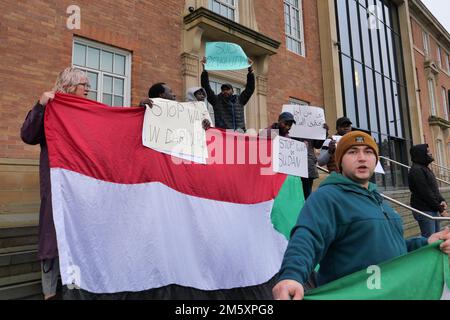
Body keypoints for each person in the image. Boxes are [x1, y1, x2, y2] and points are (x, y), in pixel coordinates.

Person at [272, 131, 450, 300]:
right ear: (340, 161)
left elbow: (389, 247)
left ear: (375, 160)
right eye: (352, 152)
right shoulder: (327, 197)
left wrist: (424, 242)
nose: (362, 157)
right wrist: (291, 275)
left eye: (368, 152)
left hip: (388, 292)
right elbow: (307, 237)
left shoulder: (378, 198)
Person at [21, 67, 91, 300]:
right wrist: (40, 106)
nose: (88, 90)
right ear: (70, 85)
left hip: (83, 186)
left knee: (80, 234)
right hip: (57, 184)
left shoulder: (88, 112)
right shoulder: (50, 108)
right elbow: (28, 135)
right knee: (52, 233)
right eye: (84, 85)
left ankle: (76, 288)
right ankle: (50, 292)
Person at [200, 57, 255, 133]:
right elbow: (206, 87)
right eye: (223, 90)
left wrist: (250, 70)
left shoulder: (240, 100)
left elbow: (250, 88)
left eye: (227, 89)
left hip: (240, 134)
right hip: (224, 135)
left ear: (232, 91)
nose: (225, 91)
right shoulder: (216, 101)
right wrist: (204, 69)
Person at [408, 144, 449, 238]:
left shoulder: (424, 168)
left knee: (436, 237)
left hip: (431, 208)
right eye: (427, 151)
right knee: (430, 238)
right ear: (421, 154)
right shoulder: (416, 170)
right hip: (424, 210)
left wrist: (441, 200)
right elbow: (425, 193)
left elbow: (433, 189)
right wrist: (441, 209)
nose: (430, 153)